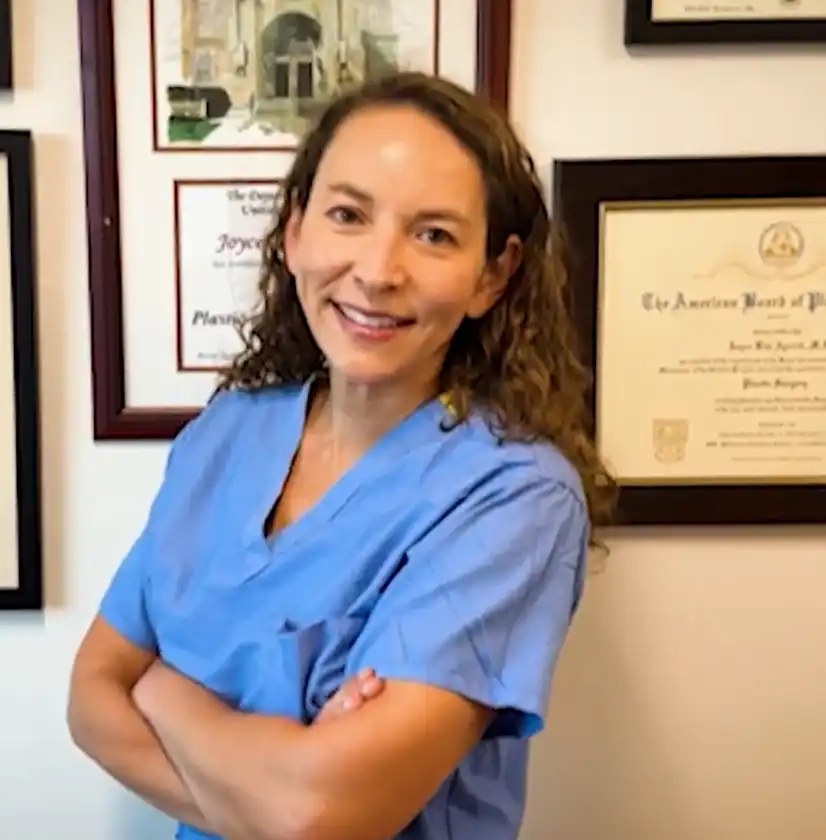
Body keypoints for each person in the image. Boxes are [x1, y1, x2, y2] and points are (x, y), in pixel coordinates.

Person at [65, 70, 616, 840]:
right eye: (348, 215)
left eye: (434, 235)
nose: (378, 271)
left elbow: (322, 814)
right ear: (294, 233)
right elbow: (90, 697)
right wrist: (278, 785)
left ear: (494, 275)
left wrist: (161, 688)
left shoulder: (513, 497)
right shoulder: (228, 435)